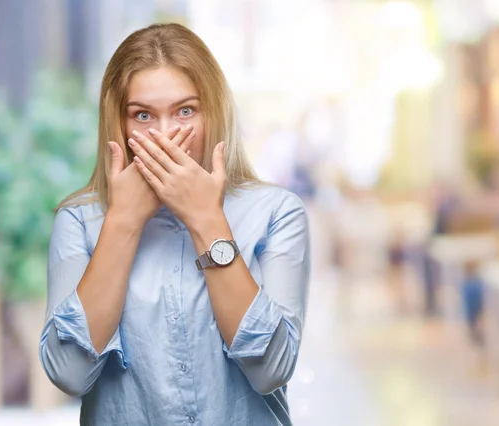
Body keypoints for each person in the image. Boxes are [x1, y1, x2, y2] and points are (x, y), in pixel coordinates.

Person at [38, 23, 311, 426]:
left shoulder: (275, 212)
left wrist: (206, 220)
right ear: (119, 124)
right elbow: (69, 375)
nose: (166, 137)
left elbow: (271, 370)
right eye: (144, 115)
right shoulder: (80, 221)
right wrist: (124, 223)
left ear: (212, 112)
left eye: (185, 111)